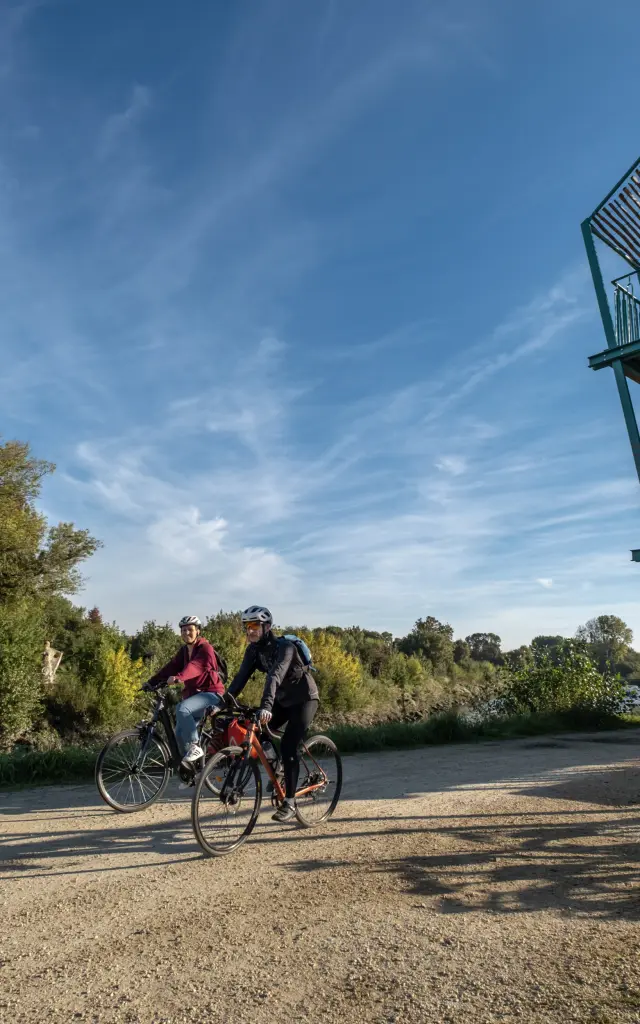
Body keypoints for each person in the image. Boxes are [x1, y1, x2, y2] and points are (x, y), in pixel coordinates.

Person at [227, 605, 319, 823]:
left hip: (304, 699)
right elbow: (240, 679)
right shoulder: (253, 651)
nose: (250, 630)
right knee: (259, 733)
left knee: (288, 745)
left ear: (267, 627)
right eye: (247, 626)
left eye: (255, 625)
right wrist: (222, 703)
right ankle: (279, 768)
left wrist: (266, 706)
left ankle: (290, 802)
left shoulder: (285, 647)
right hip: (283, 700)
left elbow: (275, 676)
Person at [146, 615, 225, 765]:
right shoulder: (184, 651)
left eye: (190, 629)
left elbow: (196, 666)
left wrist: (179, 677)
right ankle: (189, 768)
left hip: (212, 694)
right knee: (179, 734)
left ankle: (195, 746)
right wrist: (151, 682)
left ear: (198, 631)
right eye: (183, 630)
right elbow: (170, 667)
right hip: (195, 696)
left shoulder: (205, 648)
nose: (186, 633)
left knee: (182, 709)